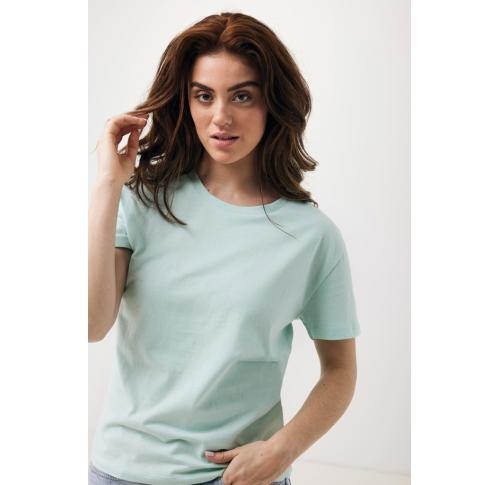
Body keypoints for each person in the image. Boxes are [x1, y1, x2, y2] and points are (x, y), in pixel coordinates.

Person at [88, 11, 360, 485]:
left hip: (240, 476)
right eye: (204, 95)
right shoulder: (142, 201)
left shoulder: (312, 236)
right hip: (123, 470)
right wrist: (108, 184)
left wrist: (281, 450)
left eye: (242, 95)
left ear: (272, 102)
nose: (221, 117)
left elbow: (339, 371)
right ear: (185, 101)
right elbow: (91, 325)